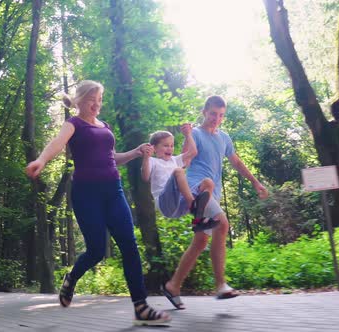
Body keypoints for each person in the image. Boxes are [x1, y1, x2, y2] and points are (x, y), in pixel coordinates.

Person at [25, 80, 170, 326]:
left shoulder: (106, 126)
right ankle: (72, 277)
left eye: (100, 100)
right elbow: (57, 144)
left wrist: (135, 152)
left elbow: (112, 158)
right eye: (92, 99)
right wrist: (41, 160)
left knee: (129, 245)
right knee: (95, 250)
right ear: (80, 100)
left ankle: (141, 307)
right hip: (86, 193)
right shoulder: (73, 124)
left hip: (113, 191)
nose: (97, 104)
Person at [161, 96, 268, 310]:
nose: (216, 119)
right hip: (197, 189)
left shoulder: (224, 138)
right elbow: (186, 159)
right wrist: (186, 136)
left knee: (200, 242)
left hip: (213, 194)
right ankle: (221, 285)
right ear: (204, 112)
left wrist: (255, 182)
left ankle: (173, 286)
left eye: (220, 115)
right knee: (222, 223)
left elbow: (236, 161)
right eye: (212, 114)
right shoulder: (196, 134)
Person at [140, 124, 219, 232]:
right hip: (166, 204)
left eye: (172, 145)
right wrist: (146, 157)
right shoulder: (152, 161)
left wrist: (188, 135)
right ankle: (194, 206)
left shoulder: (174, 160)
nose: (170, 148)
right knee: (178, 171)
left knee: (208, 182)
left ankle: (198, 219)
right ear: (154, 148)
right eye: (166, 145)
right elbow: (145, 177)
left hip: (181, 204)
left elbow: (193, 152)